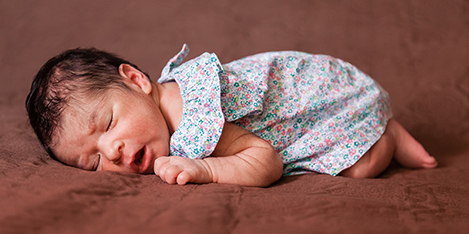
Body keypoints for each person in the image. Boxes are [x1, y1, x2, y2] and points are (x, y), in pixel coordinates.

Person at [25, 44, 437, 187]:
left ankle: (388, 134)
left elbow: (268, 161)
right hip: (309, 87)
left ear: (136, 80)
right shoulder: (164, 106)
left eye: (109, 124)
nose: (111, 152)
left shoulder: (193, 119)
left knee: (358, 169)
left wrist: (207, 170)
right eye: (93, 161)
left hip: (328, 101)